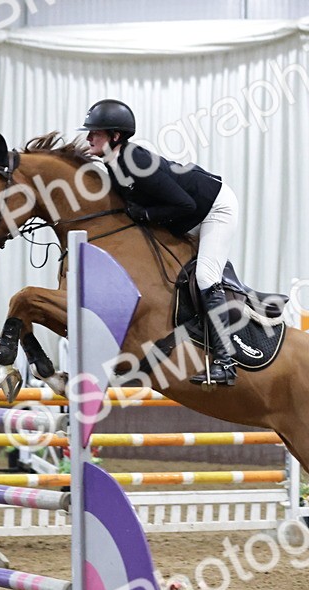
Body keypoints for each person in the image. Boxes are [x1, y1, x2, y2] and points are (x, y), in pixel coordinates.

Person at [81, 98, 240, 388]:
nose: (89, 137)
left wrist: (143, 213)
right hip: (187, 212)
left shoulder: (135, 160)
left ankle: (226, 361)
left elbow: (184, 203)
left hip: (214, 207)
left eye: (96, 133)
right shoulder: (113, 164)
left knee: (205, 276)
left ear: (115, 136)